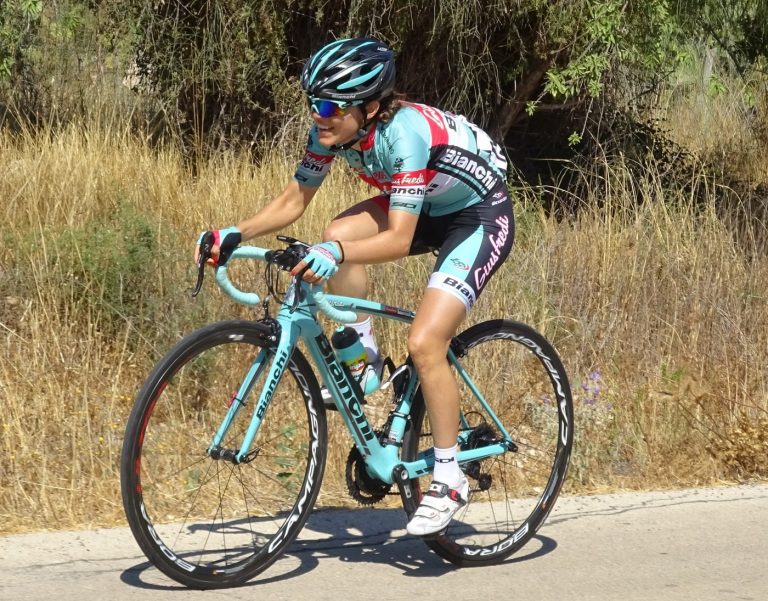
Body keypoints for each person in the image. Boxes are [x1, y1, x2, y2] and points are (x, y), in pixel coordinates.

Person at [196, 37, 514, 536]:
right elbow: (294, 200)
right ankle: (365, 360)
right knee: (336, 231)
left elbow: (399, 238)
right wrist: (236, 232)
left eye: (329, 106)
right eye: (313, 102)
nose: (317, 115)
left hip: (477, 216)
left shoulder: (404, 135)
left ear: (368, 107)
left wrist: (336, 255)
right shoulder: (331, 132)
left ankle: (450, 477)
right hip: (427, 203)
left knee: (425, 342)